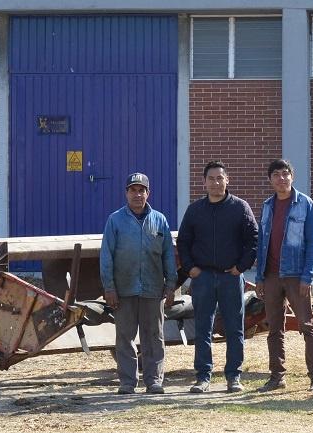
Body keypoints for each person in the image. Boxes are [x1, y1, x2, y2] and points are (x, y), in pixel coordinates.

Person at [177, 161, 258, 393]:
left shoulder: (240, 208)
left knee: (234, 327)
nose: (215, 183)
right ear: (204, 182)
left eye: (219, 178)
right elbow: (183, 242)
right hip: (202, 278)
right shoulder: (195, 210)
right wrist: (190, 268)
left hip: (230, 278)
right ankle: (203, 376)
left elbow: (253, 240)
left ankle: (233, 376)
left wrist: (241, 267)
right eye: (211, 179)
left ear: (227, 180)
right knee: (203, 328)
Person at [100, 172, 177, 395]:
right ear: (126, 193)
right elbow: (107, 255)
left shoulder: (159, 220)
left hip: (153, 288)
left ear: (148, 193)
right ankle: (127, 382)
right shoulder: (115, 220)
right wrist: (109, 287)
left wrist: (170, 284)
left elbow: (168, 255)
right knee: (124, 336)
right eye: (133, 190)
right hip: (124, 289)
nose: (137, 194)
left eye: (141, 190)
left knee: (153, 336)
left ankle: (154, 380)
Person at [255, 159, 313, 392]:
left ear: (292, 177)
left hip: (296, 275)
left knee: (307, 325)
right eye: (276, 175)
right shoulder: (267, 206)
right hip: (271, 275)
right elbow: (262, 241)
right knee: (274, 328)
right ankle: (277, 376)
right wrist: (260, 277)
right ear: (270, 180)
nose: (281, 179)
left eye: (285, 174)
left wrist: (308, 276)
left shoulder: (305, 204)